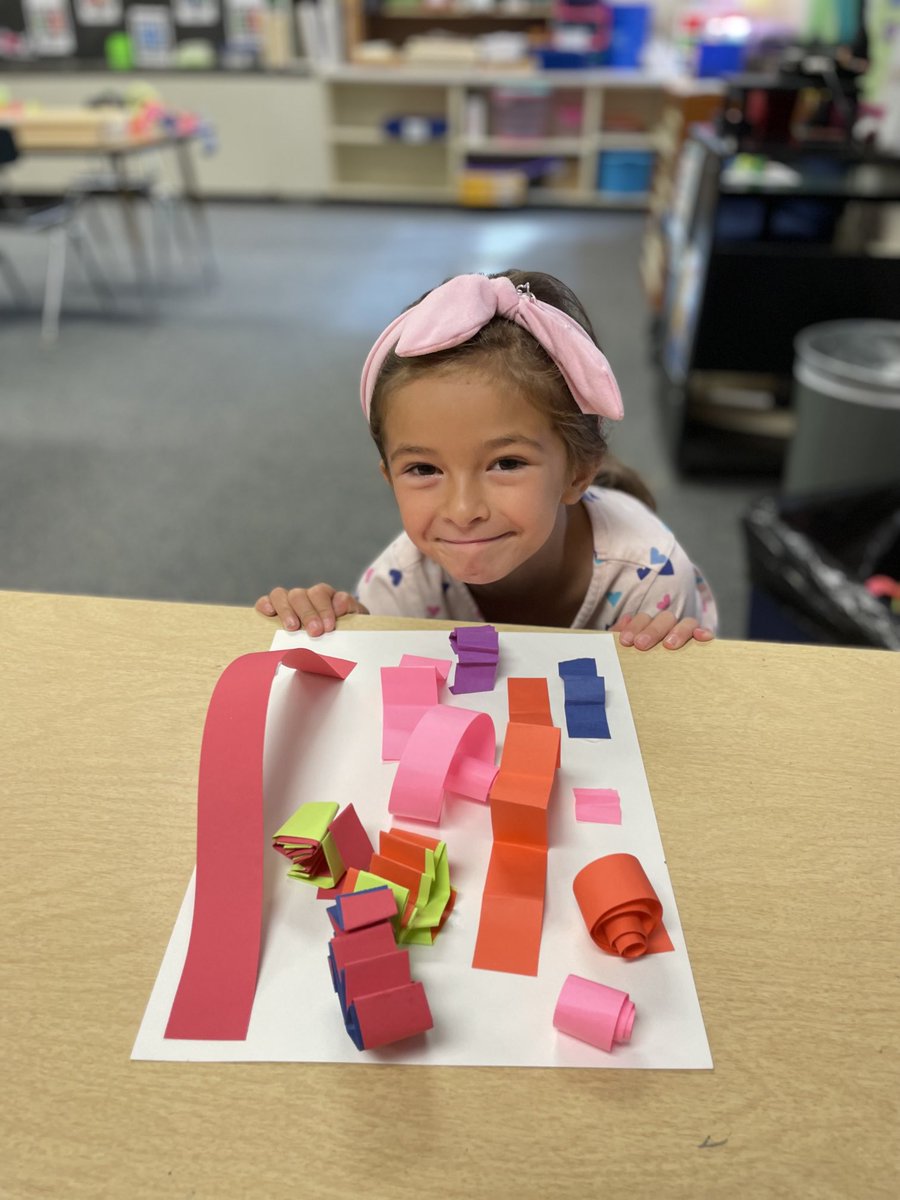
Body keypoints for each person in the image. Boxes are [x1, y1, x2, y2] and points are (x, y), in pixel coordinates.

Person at [257, 270, 717, 651]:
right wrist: (346, 634)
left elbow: (666, 731)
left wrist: (663, 661)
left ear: (577, 471)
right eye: (423, 469)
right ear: (389, 477)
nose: (463, 510)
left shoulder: (652, 581)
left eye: (507, 463)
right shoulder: (399, 586)